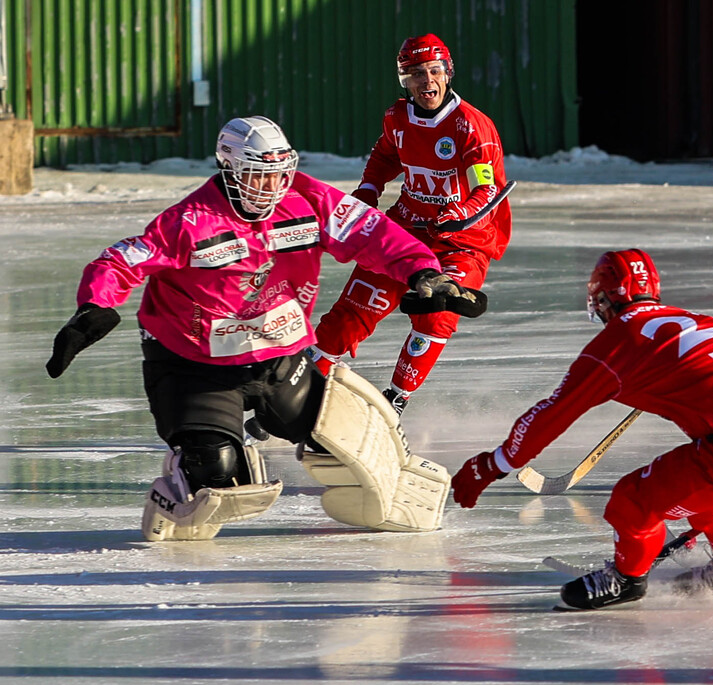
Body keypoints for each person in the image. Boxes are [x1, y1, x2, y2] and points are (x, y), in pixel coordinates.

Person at [45, 115, 485, 542]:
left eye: (279, 173)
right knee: (218, 472)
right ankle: (182, 477)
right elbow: (121, 260)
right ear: (230, 169)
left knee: (348, 443)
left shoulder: (309, 200)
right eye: (258, 174)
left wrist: (423, 272)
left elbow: (373, 234)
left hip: (279, 357)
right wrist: (94, 306)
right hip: (194, 366)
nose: (272, 185)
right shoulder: (190, 221)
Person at [450, 249, 713, 610]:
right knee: (710, 494)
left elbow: (551, 414)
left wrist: (492, 464)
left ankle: (626, 579)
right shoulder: (693, 321)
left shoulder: (616, 343)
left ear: (604, 299)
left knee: (632, 500)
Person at [310, 32, 512, 416]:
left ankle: (395, 401)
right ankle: (296, 395)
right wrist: (368, 189)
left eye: (434, 70)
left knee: (436, 313)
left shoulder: (470, 125)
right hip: (404, 233)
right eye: (417, 73)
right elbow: (386, 154)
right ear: (405, 80)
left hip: (462, 240)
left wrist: (461, 212)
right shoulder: (397, 117)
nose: (427, 80)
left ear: (448, 73)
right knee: (351, 312)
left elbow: (485, 187)